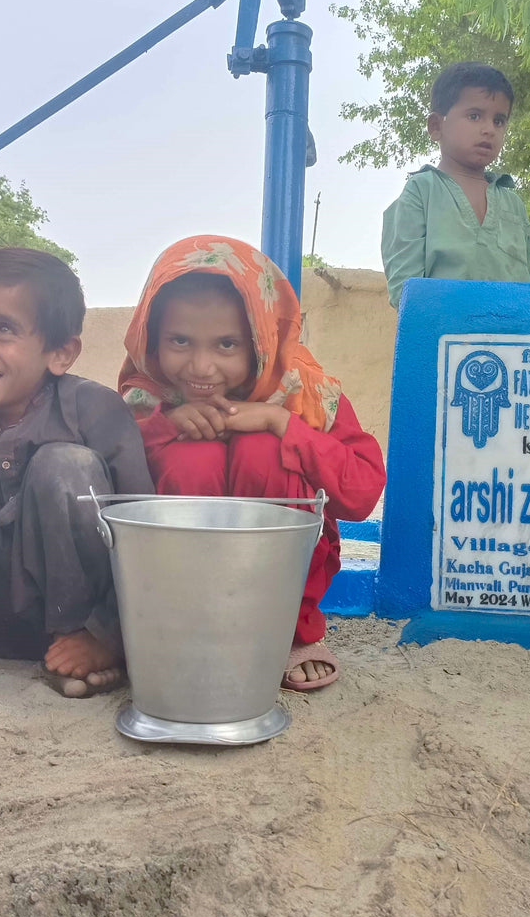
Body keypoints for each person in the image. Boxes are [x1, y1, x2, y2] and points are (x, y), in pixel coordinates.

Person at [119, 235, 386, 690]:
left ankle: (288, 633)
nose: (201, 367)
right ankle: (182, 629)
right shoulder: (144, 396)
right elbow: (106, 474)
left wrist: (284, 424)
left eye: (226, 345)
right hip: (173, 584)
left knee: (262, 449)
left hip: (285, 577)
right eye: (180, 340)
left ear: (263, 339)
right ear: (151, 334)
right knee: (191, 459)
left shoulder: (306, 395)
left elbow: (360, 494)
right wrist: (166, 427)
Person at [0, 247, 154, 697]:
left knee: (65, 465)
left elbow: (143, 528)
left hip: (68, 623)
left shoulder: (94, 411)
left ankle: (92, 641)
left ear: (60, 353)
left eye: (3, 328)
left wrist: (111, 630)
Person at [381, 61, 530, 309]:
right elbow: (405, 293)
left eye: (499, 121)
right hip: (442, 339)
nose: (489, 130)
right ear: (435, 126)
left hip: (510, 342)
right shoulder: (421, 193)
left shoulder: (513, 203)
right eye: (474, 116)